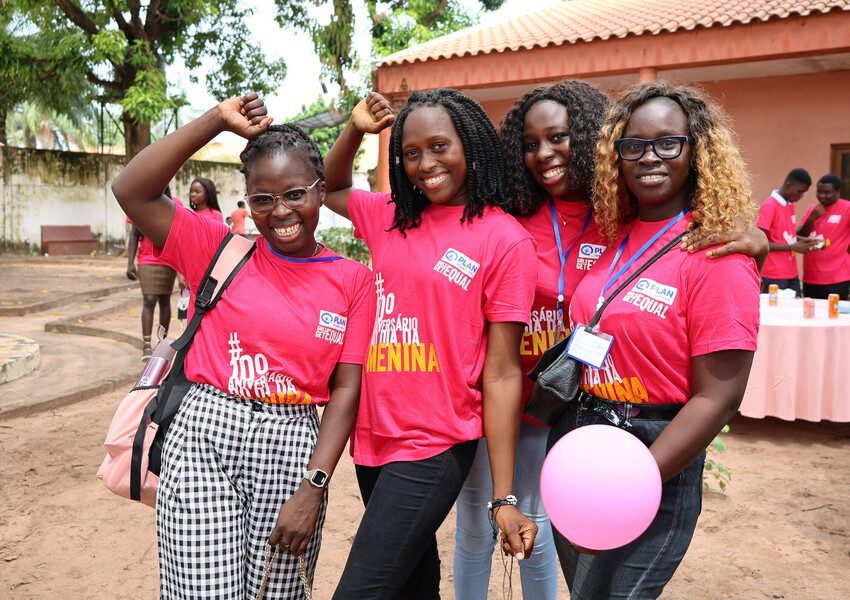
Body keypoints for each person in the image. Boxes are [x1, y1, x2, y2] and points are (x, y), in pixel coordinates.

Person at [111, 93, 372, 599]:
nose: (281, 212)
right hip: (204, 434)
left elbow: (346, 389)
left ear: (321, 190)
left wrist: (314, 487)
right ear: (247, 201)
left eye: (296, 193)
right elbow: (132, 190)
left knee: (277, 593)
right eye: (263, 199)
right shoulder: (218, 250)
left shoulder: (353, 281)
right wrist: (214, 122)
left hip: (293, 444)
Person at [318, 88, 539, 599]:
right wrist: (354, 130)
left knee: (362, 590)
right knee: (412, 585)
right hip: (372, 437)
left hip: (434, 442)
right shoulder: (391, 215)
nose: (425, 164)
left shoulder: (504, 239)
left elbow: (504, 372)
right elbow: (328, 187)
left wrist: (503, 496)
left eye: (439, 146)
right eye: (410, 153)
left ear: (472, 146)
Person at [547, 81, 760, 598]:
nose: (649, 157)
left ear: (698, 151)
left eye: (668, 143)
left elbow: (719, 395)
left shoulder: (718, 254)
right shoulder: (610, 234)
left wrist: (637, 480)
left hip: (655, 451)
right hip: (581, 439)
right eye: (633, 145)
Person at [125, 186, 183, 359]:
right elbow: (134, 235)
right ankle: (146, 345)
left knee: (165, 299)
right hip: (147, 259)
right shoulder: (139, 204)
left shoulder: (175, 203)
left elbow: (180, 232)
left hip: (168, 258)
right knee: (149, 299)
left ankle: (161, 343)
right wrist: (129, 263)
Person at [757, 168, 817, 295]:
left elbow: (786, 236)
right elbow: (760, 243)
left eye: (804, 193)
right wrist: (791, 247)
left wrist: (805, 241)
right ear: (789, 184)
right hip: (773, 274)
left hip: (791, 273)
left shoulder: (789, 204)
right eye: (800, 191)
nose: (801, 196)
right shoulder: (769, 206)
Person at [798, 174, 850, 299]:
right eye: (819, 192)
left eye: (827, 193)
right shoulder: (812, 210)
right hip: (811, 277)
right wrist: (811, 219)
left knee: (834, 316)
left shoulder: (847, 208)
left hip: (837, 278)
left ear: (838, 192)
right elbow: (799, 237)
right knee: (810, 316)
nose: (822, 196)